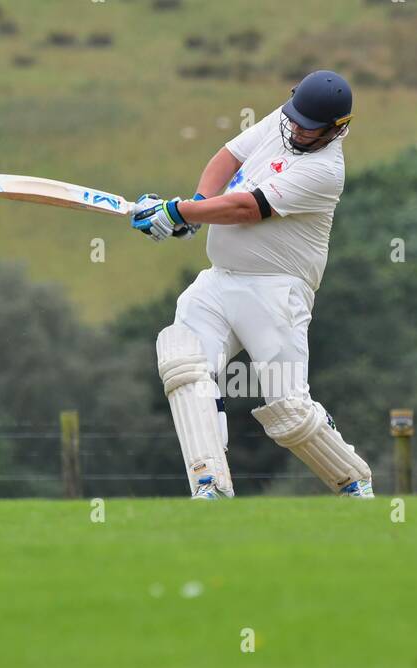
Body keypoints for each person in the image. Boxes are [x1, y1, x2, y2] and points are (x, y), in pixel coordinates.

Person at [133, 70, 373, 500]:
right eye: (295, 118)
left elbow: (248, 207)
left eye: (309, 127)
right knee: (184, 365)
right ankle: (210, 483)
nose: (297, 129)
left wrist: (180, 213)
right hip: (219, 281)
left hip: (276, 293)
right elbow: (228, 156)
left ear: (337, 129)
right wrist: (198, 205)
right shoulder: (288, 118)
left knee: (289, 412)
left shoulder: (324, 169)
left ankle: (354, 481)